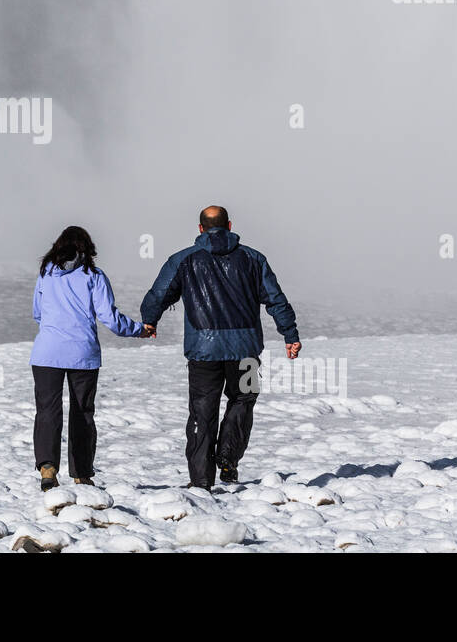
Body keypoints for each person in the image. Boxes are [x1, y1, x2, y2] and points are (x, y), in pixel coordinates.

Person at [140, 205, 301, 488]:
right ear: (229, 225)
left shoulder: (183, 259)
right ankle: (228, 458)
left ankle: (201, 480)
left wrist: (149, 321)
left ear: (200, 228)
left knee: (202, 410)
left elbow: (159, 294)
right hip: (247, 349)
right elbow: (276, 299)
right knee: (244, 400)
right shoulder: (254, 259)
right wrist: (290, 335)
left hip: (203, 350)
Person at [31, 225, 152, 491]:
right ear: (88, 248)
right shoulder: (93, 275)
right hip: (82, 354)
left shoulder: (46, 274)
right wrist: (138, 330)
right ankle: (82, 473)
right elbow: (109, 317)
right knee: (82, 413)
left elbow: (37, 313)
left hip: (46, 353)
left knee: (47, 412)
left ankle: (48, 467)